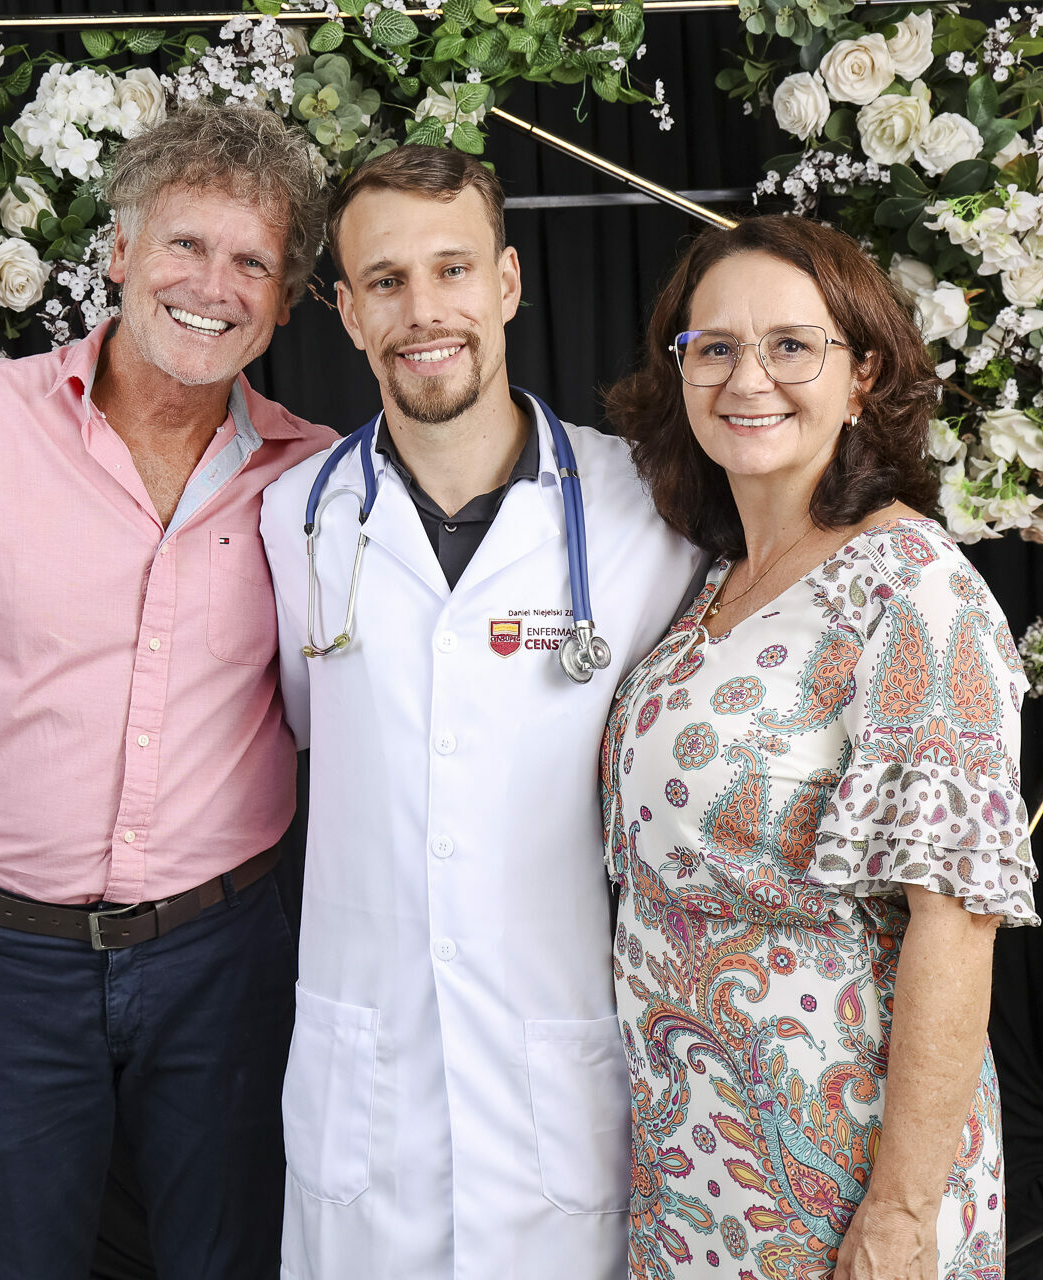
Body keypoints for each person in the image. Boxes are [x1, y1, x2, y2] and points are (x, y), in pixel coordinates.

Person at [0, 105, 337, 1279]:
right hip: (0, 957)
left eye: (252, 262)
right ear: (121, 252)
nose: (215, 286)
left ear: (285, 301)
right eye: (186, 244)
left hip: (224, 952)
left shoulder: (319, 479)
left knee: (231, 1259)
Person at [260, 145, 704, 1280]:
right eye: (387, 280)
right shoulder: (296, 517)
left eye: (452, 269)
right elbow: (313, 729)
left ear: (506, 282)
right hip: (369, 1079)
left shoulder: (644, 505)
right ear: (347, 312)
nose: (424, 311)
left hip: (557, 1069)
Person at [599, 214, 1040, 1280]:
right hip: (694, 1155)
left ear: (863, 376)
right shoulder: (718, 577)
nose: (748, 378)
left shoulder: (914, 590)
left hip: (842, 1167)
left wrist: (900, 1212)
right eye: (715, 347)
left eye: (792, 345)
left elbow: (956, 920)